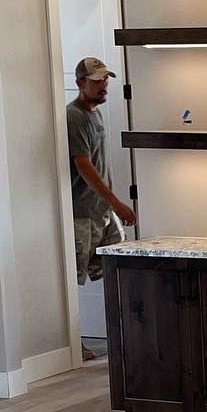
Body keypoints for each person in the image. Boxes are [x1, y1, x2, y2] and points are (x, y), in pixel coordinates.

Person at [66, 56, 136, 293]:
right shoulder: (74, 116)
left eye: (105, 79)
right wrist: (117, 204)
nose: (104, 85)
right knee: (72, 281)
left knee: (116, 267)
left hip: (102, 212)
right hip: (82, 215)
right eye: (97, 81)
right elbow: (84, 166)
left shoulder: (95, 113)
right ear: (80, 82)